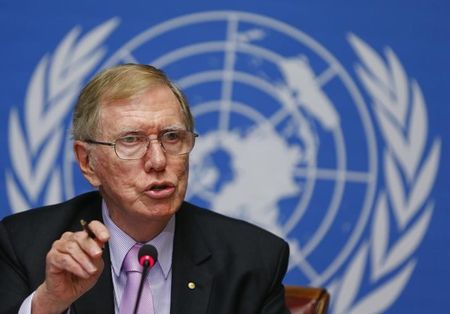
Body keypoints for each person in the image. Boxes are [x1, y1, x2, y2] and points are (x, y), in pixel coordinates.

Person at [0, 64, 290, 314]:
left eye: (172, 136)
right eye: (131, 140)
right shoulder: (25, 244)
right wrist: (50, 302)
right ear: (87, 162)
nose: (158, 160)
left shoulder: (254, 258)